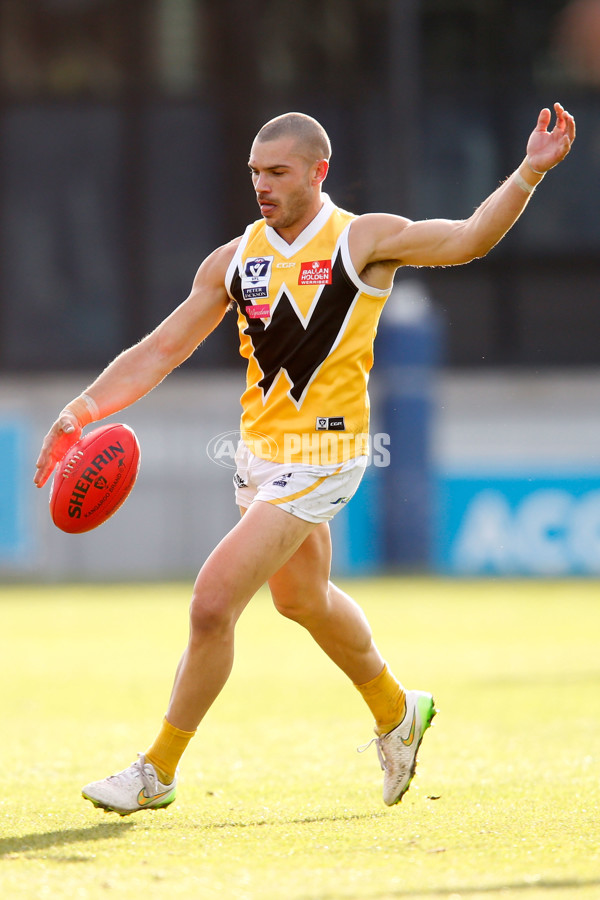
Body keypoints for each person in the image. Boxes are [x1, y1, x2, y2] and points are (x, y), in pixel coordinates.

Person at [34, 103, 575, 815]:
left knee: (211, 603)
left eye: (278, 172)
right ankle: (397, 710)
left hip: (326, 454)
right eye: (255, 172)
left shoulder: (363, 241)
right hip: (258, 456)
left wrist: (530, 171)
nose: (262, 184)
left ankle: (156, 770)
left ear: (319, 172)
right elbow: (162, 349)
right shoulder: (233, 261)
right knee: (301, 600)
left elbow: (469, 239)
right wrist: (83, 409)